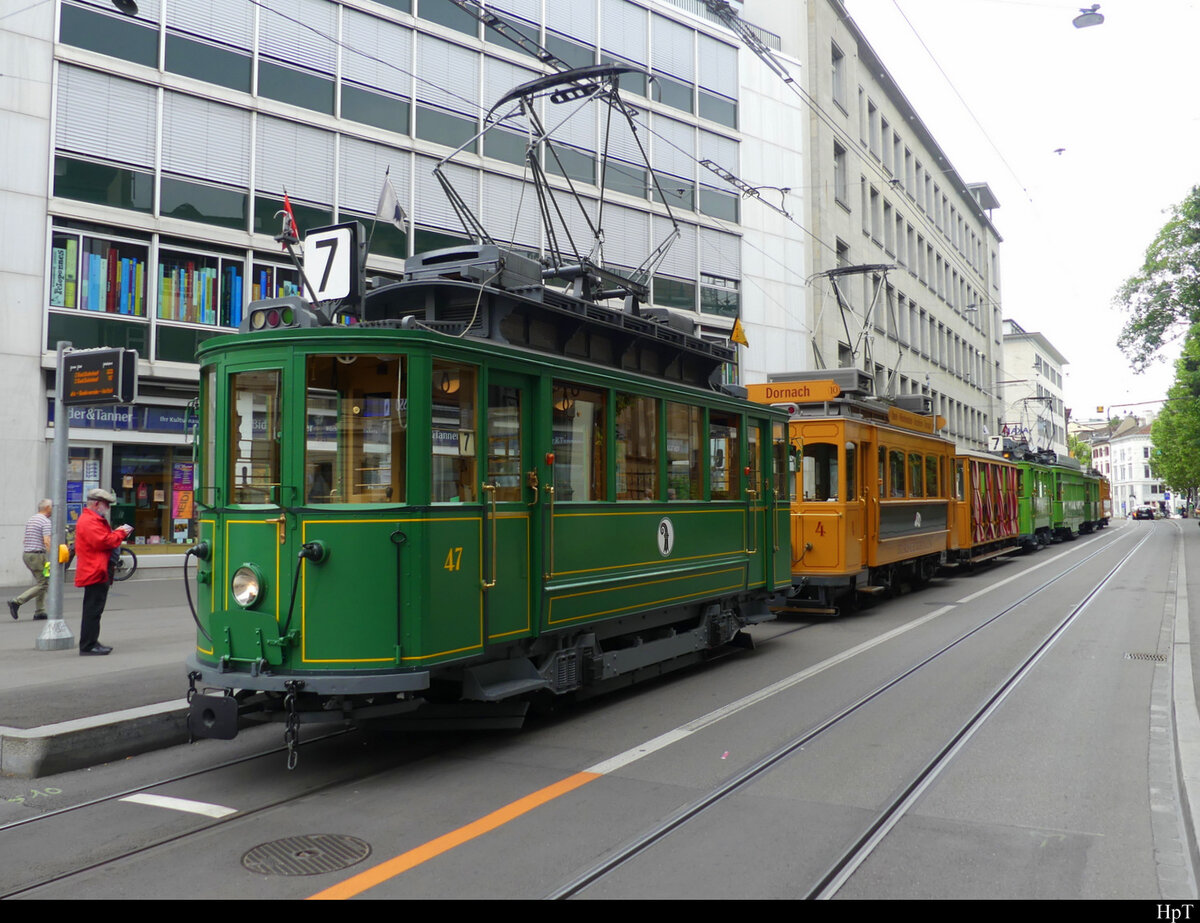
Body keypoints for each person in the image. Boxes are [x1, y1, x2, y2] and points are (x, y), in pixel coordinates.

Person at [75, 488, 133, 656]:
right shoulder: (89, 520)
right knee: (93, 610)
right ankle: (87, 645)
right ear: (96, 503)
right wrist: (121, 532)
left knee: (94, 610)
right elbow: (104, 542)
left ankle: (91, 641)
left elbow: (103, 540)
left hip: (97, 568)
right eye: (106, 504)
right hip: (95, 570)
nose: (107, 508)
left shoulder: (91, 519)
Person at [9, 499, 53, 621]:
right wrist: (53, 556)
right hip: (38, 556)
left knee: (43, 581)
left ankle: (40, 611)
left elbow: (25, 539)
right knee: (44, 583)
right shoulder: (45, 521)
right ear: (48, 507)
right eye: (52, 506)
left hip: (29, 555)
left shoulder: (32, 519)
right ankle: (17, 602)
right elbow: (47, 541)